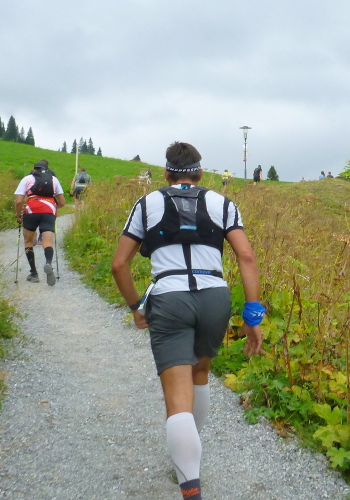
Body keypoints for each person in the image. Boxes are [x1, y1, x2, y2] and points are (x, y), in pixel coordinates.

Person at [111, 142, 264, 500]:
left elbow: (119, 264)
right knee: (200, 373)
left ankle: (189, 484)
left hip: (169, 298)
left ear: (165, 174)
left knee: (177, 395)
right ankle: (189, 459)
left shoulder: (146, 203)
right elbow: (246, 256)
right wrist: (252, 315)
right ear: (201, 173)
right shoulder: (222, 203)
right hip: (214, 297)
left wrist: (136, 306)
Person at [14, 160, 66, 286]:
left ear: (34, 169)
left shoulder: (27, 179)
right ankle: (48, 263)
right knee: (48, 242)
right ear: (47, 170)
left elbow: (19, 201)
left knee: (28, 241)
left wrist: (18, 215)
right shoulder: (54, 179)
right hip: (48, 211)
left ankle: (34, 273)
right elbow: (62, 202)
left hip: (31, 210)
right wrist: (53, 207)